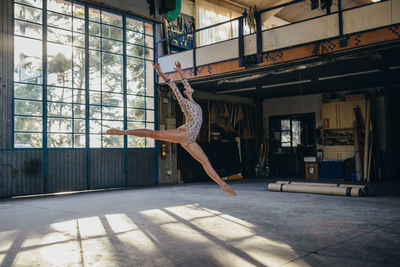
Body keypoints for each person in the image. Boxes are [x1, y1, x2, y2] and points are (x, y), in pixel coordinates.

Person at [106, 61, 237, 196]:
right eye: (186, 88)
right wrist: (159, 71)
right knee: (153, 134)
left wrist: (180, 71)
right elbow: (172, 84)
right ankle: (121, 132)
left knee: (206, 162)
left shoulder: (192, 100)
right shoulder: (184, 102)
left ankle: (223, 185)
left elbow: (185, 82)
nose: (188, 87)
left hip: (191, 139)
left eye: (188, 87)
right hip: (186, 132)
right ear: (185, 92)